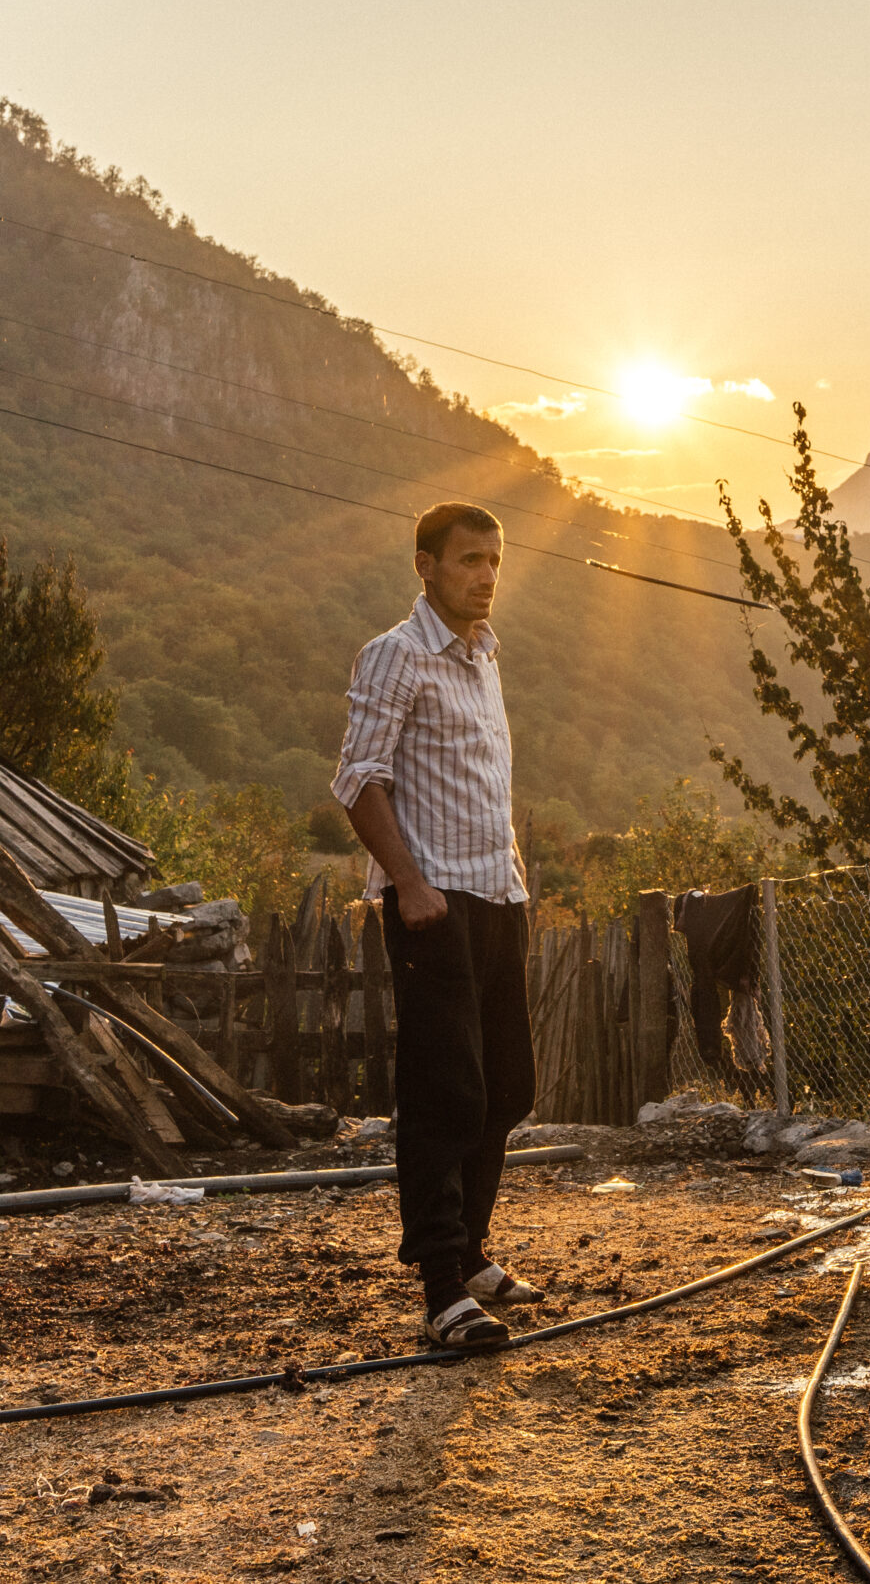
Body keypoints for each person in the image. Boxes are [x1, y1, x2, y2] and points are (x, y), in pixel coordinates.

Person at [333, 502, 542, 1347]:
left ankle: (475, 1250)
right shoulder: (398, 655)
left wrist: (519, 884)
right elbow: (358, 778)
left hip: (499, 892)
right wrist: (410, 885)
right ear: (426, 566)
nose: (486, 576)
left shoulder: (485, 656)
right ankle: (443, 1288)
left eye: (495, 560)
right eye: (468, 561)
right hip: (435, 903)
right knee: (445, 1090)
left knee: (506, 1085)